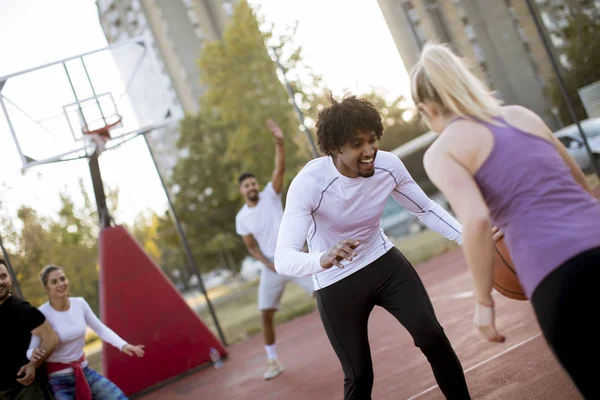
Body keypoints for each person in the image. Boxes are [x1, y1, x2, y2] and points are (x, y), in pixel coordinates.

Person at [411, 42, 600, 399]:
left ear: (427, 108)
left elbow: (477, 221)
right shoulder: (522, 115)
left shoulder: (443, 151)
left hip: (558, 275)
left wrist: (483, 301)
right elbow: (581, 184)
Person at [274, 95, 472, 399]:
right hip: (335, 282)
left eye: (372, 140)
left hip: (383, 264)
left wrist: (469, 239)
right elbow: (283, 258)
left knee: (432, 335)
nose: (369, 152)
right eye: (357, 145)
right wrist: (322, 259)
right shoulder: (309, 184)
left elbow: (425, 209)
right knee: (359, 375)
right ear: (335, 147)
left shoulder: (388, 166)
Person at [235, 119, 315, 381]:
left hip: (291, 255)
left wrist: (279, 142)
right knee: (265, 314)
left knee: (325, 292)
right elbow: (250, 246)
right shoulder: (242, 217)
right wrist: (265, 263)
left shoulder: (270, 194)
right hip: (271, 265)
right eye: (247, 186)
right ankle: (273, 361)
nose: (252, 187)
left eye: (253, 183)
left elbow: (279, 169)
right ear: (241, 191)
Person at [27, 265, 145, 400]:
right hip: (59, 380)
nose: (60, 284)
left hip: (84, 371)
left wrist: (123, 345)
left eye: (62, 279)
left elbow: (100, 328)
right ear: (46, 288)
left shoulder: (80, 304)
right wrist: (33, 354)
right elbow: (31, 349)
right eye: (54, 282)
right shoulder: (41, 314)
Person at [1, 258, 59, 400]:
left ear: (10, 278)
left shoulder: (21, 308)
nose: (0, 282)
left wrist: (33, 365)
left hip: (27, 390)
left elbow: (51, 338)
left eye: (3, 276)